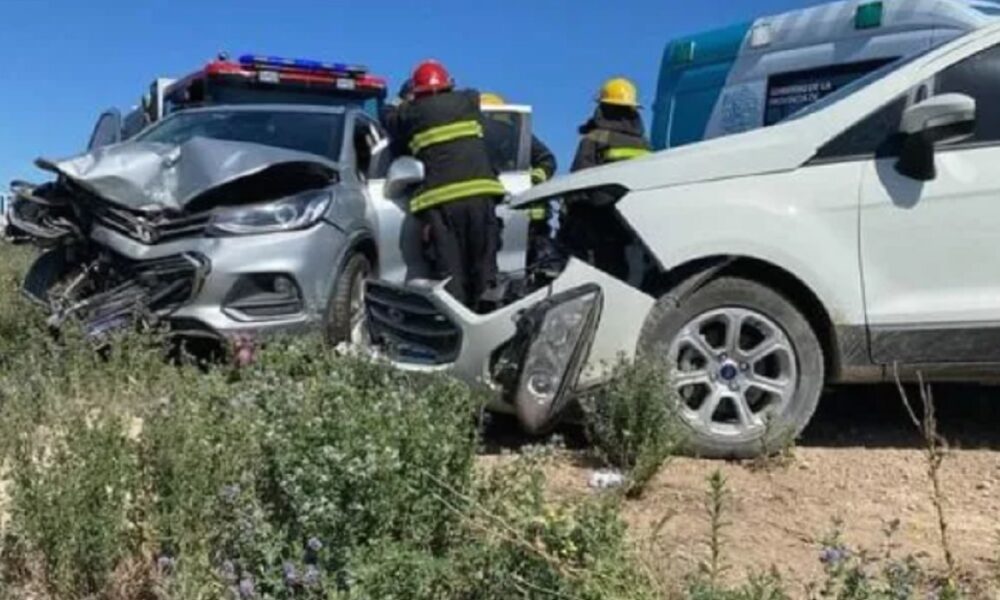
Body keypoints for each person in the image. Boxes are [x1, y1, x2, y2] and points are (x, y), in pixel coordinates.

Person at [381, 60, 506, 309]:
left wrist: (400, 100)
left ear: (416, 91)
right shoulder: (469, 101)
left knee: (451, 275)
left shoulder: (411, 113)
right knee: (485, 269)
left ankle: (457, 331)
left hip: (443, 205)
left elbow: (388, 118)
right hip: (482, 198)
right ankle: (491, 326)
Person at [559, 77, 651, 280]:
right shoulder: (645, 144)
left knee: (600, 271)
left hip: (599, 220)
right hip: (635, 221)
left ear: (603, 108)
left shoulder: (594, 139)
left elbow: (578, 183)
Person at [479, 92, 557, 267]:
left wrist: (532, 181)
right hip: (512, 207)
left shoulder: (516, 134)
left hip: (521, 208)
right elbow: (547, 159)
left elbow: (546, 159)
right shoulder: (508, 133)